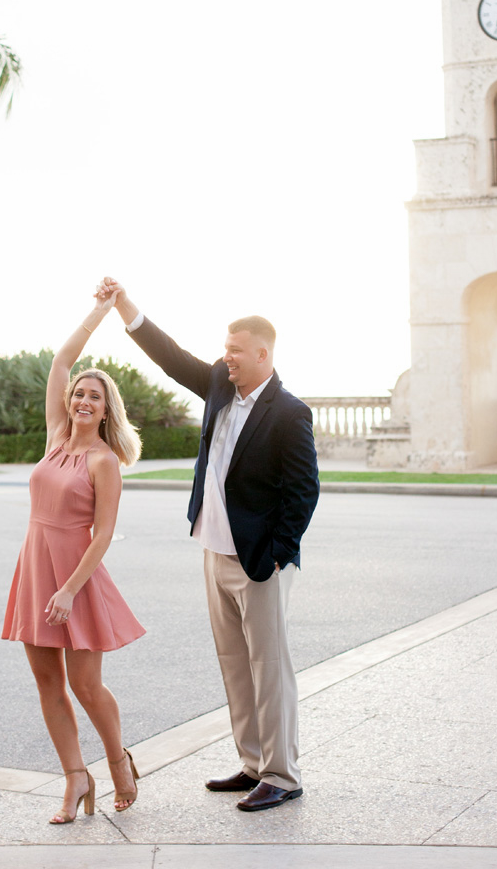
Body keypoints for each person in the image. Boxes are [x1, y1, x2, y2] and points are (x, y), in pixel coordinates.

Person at [97, 277, 319, 813]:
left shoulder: (290, 412)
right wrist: (125, 307)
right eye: (225, 350)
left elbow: (303, 491)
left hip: (259, 561)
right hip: (213, 550)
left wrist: (276, 554)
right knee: (234, 662)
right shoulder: (222, 383)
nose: (227, 358)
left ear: (263, 353)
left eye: (236, 350)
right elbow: (172, 360)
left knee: (270, 667)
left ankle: (282, 775)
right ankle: (252, 764)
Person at [1, 290, 144, 824]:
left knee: (86, 684)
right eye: (80, 393)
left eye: (95, 397)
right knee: (47, 683)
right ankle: (74, 778)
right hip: (35, 568)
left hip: (76, 580)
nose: (83, 399)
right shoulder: (56, 436)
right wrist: (102, 312)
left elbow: (103, 535)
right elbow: (62, 361)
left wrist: (69, 589)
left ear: (107, 410)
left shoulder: (105, 461)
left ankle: (117, 763)